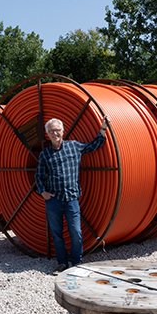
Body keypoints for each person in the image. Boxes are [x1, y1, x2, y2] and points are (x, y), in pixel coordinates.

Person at [36, 115, 110, 275]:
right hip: (53, 201)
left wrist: (103, 128)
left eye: (57, 130)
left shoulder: (74, 146)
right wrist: (43, 192)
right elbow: (39, 176)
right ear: (47, 134)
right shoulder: (44, 154)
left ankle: (76, 263)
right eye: (51, 131)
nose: (54, 133)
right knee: (57, 234)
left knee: (76, 232)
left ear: (63, 131)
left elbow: (94, 145)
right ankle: (62, 263)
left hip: (71, 199)